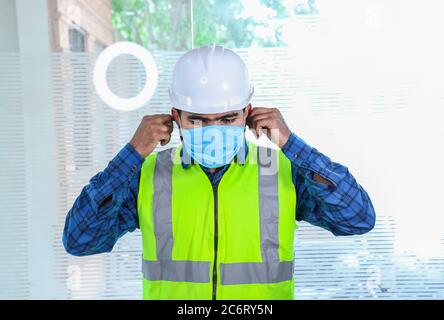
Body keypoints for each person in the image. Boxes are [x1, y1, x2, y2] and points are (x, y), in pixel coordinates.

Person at [63, 44, 376, 300]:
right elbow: (80, 240)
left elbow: (358, 219)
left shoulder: (281, 172)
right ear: (176, 117)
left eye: (227, 119)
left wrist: (291, 144)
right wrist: (131, 154)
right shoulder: (148, 175)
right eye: (198, 119)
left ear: (248, 113)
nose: (213, 130)